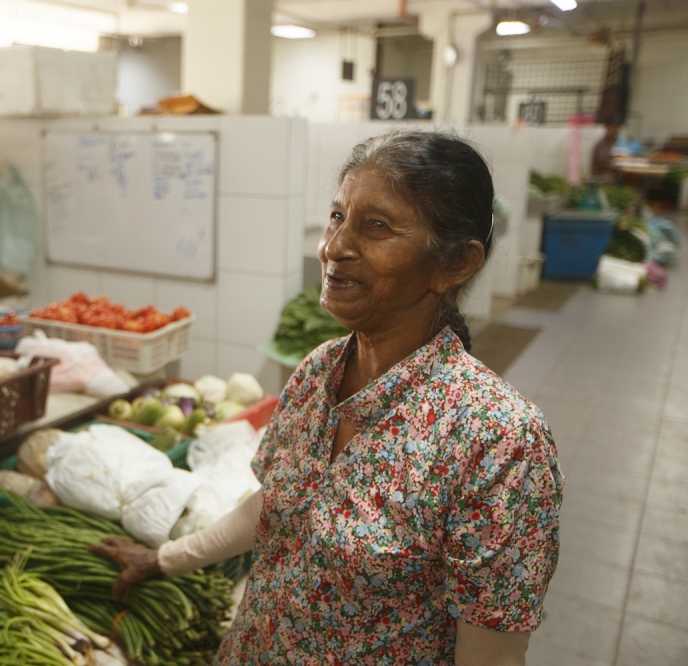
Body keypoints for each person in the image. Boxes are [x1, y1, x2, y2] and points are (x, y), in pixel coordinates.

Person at [91, 131, 563, 665]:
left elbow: (490, 657)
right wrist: (165, 558)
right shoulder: (319, 372)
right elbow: (280, 507)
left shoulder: (498, 440)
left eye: (377, 226)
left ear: (454, 264)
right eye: (338, 217)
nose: (334, 247)